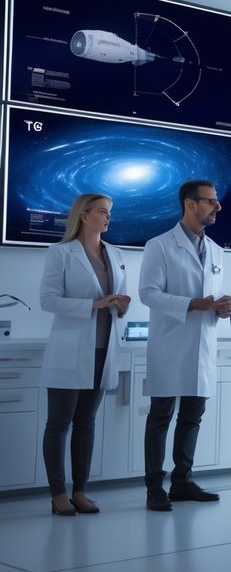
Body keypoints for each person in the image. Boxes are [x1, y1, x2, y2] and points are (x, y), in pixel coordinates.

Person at [140, 179, 231, 512]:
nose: (217, 206)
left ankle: (182, 481)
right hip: (170, 344)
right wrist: (195, 303)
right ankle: (155, 487)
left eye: (216, 200)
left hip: (203, 345)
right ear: (190, 204)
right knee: (161, 416)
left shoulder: (218, 252)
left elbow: (210, 299)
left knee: (192, 416)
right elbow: (148, 294)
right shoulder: (160, 245)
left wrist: (222, 308)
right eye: (210, 201)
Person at [39, 194, 131, 516]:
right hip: (71, 350)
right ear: (84, 215)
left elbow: (114, 304)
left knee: (87, 423)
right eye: (103, 212)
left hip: (103, 351)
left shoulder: (116, 254)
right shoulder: (60, 254)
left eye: (109, 213)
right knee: (59, 423)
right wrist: (93, 305)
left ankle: (80, 491)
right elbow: (48, 300)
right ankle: (57, 493)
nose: (108, 218)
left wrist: (120, 306)